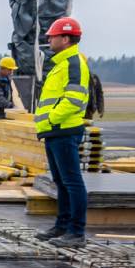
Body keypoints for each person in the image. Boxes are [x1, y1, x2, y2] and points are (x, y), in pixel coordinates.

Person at [34, 16, 92, 248]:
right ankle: (62, 226)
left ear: (66, 39)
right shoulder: (61, 63)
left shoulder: (74, 63)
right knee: (61, 181)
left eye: (53, 36)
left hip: (64, 130)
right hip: (54, 131)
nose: (49, 39)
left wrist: (52, 119)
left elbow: (75, 100)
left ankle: (76, 232)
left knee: (72, 181)